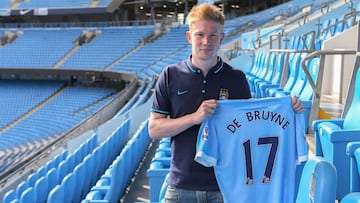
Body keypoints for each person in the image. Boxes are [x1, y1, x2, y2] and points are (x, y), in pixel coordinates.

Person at [148, 3, 304, 203]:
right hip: (180, 186)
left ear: (221, 38)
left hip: (225, 188)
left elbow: (253, 126)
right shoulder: (170, 75)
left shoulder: (235, 78)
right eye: (200, 34)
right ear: (189, 37)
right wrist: (194, 118)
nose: (206, 41)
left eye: (213, 35)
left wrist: (288, 108)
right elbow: (154, 129)